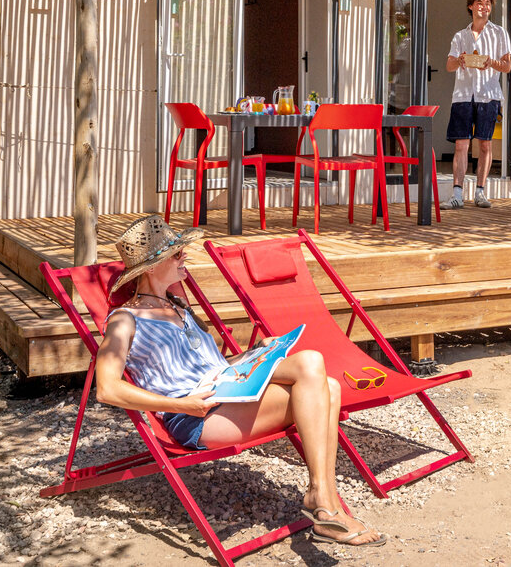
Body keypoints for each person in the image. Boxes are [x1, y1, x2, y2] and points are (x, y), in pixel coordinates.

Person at [95, 215, 388, 547]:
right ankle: (324, 503)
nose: (184, 258)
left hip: (227, 387)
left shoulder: (177, 306)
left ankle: (323, 498)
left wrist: (252, 354)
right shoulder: (124, 320)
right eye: (177, 254)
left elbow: (211, 366)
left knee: (317, 369)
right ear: (151, 267)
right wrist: (180, 404)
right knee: (326, 385)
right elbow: (107, 389)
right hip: (196, 414)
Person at [444, 0, 511, 209]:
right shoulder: (460, 36)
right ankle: (457, 194)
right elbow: (449, 66)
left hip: (489, 95)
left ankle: (480, 192)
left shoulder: (499, 33)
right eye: (480, 4)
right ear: (471, 7)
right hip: (463, 95)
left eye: (488, 4)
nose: (484, 7)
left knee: (485, 145)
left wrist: (490, 62)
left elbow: (507, 67)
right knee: (461, 145)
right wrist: (461, 60)